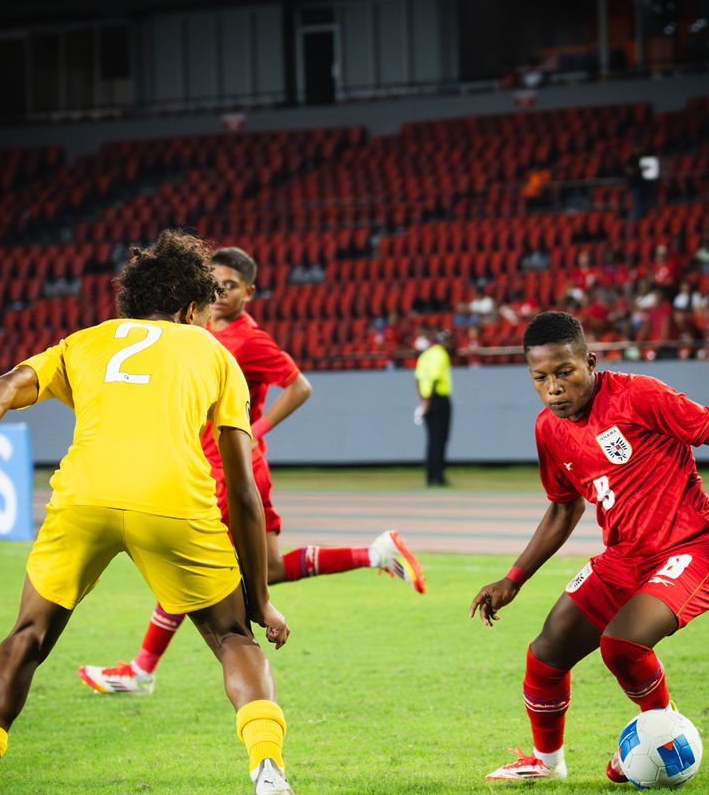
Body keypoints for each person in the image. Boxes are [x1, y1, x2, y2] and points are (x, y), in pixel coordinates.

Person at [0, 230, 306, 795]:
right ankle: (269, 772)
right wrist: (261, 598)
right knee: (232, 638)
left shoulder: (84, 342)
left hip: (84, 499)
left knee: (27, 637)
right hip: (172, 501)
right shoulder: (211, 351)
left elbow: (2, 387)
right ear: (188, 307)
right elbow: (245, 493)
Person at [469, 311, 709, 783]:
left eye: (565, 373)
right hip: (623, 558)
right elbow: (563, 511)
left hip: (690, 550)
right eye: (541, 378)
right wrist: (513, 579)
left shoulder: (638, 395)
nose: (554, 388)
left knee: (622, 645)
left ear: (589, 361)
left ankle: (667, 737)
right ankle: (546, 765)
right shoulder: (549, 429)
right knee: (545, 652)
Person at [78, 246, 424, 696]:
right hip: (215, 462)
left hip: (228, 466)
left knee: (187, 560)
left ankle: (142, 669)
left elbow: (299, 386)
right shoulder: (197, 331)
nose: (220, 293)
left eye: (231, 286)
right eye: (214, 284)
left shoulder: (248, 340)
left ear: (249, 292)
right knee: (269, 567)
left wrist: (255, 429)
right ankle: (375, 553)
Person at [414, 325, 453, 487]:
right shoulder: (440, 354)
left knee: (431, 440)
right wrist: (429, 402)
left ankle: (430, 476)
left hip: (426, 399)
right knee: (440, 440)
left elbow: (417, 379)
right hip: (438, 399)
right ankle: (438, 477)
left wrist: (423, 402)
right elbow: (436, 379)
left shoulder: (425, 355)